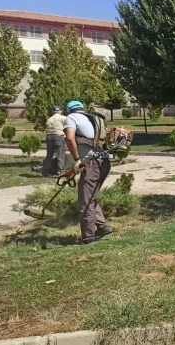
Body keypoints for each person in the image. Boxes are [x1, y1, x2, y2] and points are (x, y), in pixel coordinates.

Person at [63, 100, 113, 244]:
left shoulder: (71, 118)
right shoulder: (92, 118)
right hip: (104, 162)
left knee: (85, 201)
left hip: (90, 163)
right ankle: (102, 226)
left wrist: (77, 160)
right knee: (90, 196)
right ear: (82, 109)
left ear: (69, 110)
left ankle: (88, 237)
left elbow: (70, 138)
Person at [42, 105, 67, 177]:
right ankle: (59, 172)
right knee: (60, 155)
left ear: (53, 111)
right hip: (58, 137)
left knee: (49, 156)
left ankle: (45, 172)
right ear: (61, 111)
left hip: (49, 137)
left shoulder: (49, 119)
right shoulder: (63, 118)